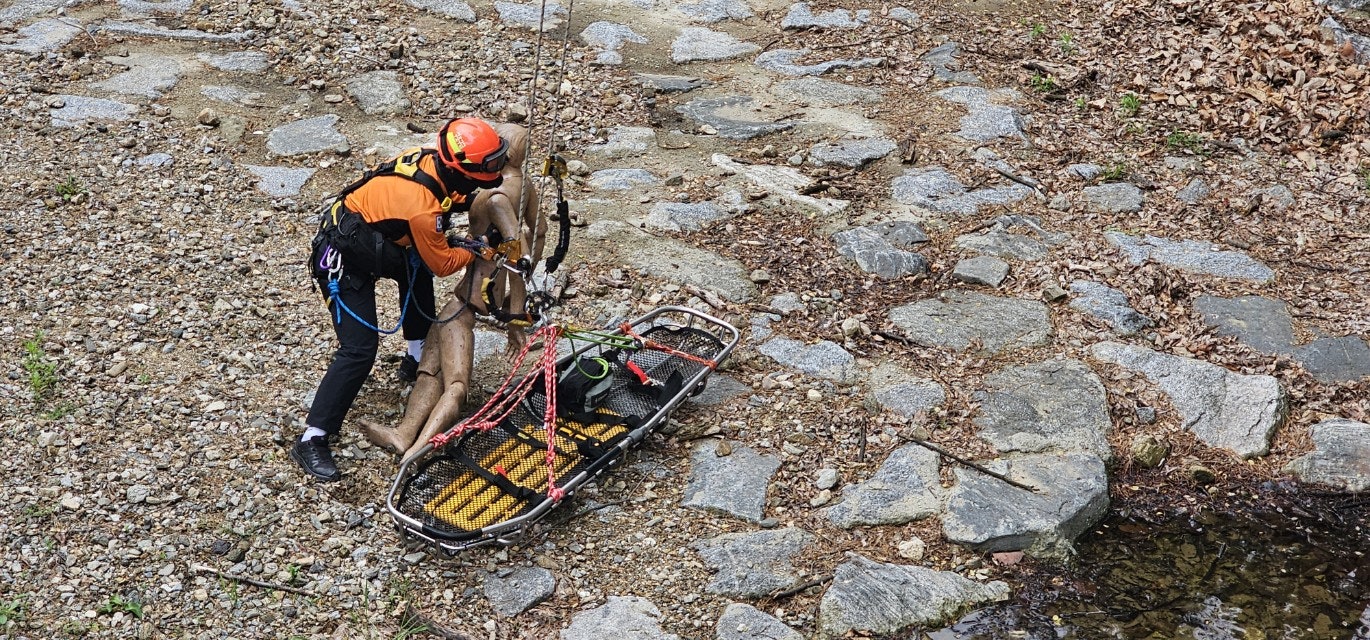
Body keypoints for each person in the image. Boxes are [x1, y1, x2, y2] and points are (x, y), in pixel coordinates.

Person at [293, 117, 510, 482]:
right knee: (359, 350)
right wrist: (479, 249)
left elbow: (449, 198)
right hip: (341, 258)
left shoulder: (430, 162)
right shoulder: (422, 209)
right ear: (461, 169)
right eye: (488, 166)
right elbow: (442, 264)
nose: (496, 170)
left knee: (414, 268)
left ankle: (414, 356)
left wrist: (473, 203)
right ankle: (312, 438)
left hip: (376, 238)